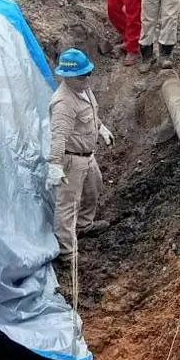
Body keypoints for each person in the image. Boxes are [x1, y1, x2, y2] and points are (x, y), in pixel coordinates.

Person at [47, 48, 115, 264]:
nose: (87, 78)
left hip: (88, 155)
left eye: (88, 73)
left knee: (94, 186)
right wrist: (55, 165)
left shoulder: (83, 89)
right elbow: (58, 137)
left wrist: (101, 128)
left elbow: (91, 114)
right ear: (67, 77)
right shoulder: (63, 103)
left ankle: (84, 225)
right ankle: (68, 253)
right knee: (67, 204)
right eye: (82, 75)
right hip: (71, 159)